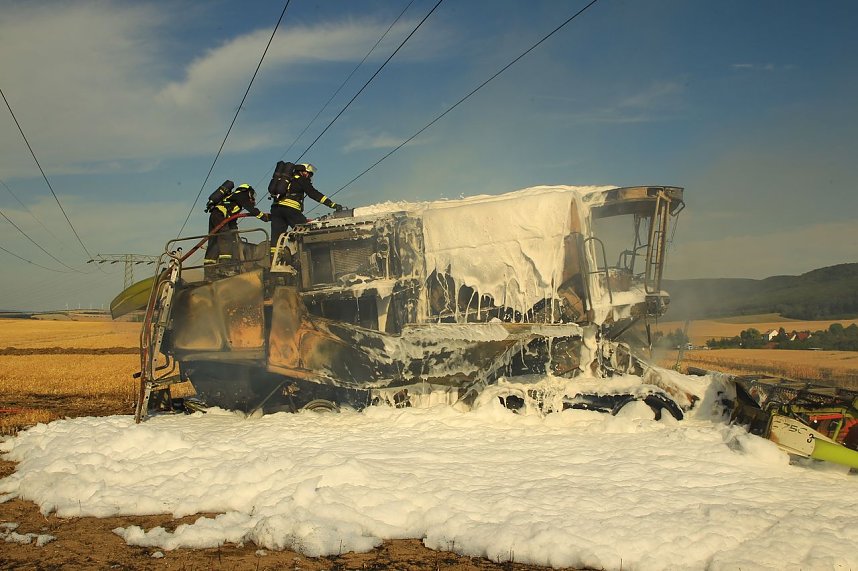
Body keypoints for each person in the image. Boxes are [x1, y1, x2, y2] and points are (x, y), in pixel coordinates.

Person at [269, 163, 345, 261]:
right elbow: (314, 194)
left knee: (276, 239)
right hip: (291, 210)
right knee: (307, 233)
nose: (309, 176)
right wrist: (332, 204)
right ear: (303, 172)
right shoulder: (302, 180)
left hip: (276, 210)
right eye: (308, 173)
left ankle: (275, 263)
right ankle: (314, 259)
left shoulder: (285, 181)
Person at [204, 182, 270, 279]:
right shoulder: (241, 194)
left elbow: (232, 220)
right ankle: (224, 268)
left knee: (214, 243)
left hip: (216, 215)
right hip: (220, 216)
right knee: (226, 239)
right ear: (247, 191)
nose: (252, 197)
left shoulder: (234, 198)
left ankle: (209, 273)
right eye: (252, 194)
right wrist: (263, 217)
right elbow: (251, 209)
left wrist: (235, 233)